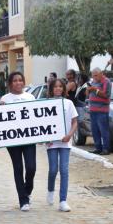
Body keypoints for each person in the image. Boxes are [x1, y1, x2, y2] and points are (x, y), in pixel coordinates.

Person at [0, 71, 36, 211]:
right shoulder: (4, 99)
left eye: (20, 80)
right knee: (18, 168)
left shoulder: (30, 97)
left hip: (29, 138)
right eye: (15, 80)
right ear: (10, 83)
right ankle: (23, 201)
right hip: (12, 140)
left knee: (31, 167)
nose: (18, 83)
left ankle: (27, 191)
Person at [46, 79, 78, 212]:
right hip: (52, 142)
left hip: (65, 142)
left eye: (60, 86)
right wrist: (46, 138)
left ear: (64, 89)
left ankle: (63, 200)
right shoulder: (46, 103)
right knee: (53, 169)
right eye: (55, 87)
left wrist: (69, 135)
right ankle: (50, 190)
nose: (58, 89)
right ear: (51, 89)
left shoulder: (69, 103)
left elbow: (75, 121)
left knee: (64, 171)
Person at [86, 68, 112, 155]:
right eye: (93, 75)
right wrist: (88, 89)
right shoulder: (93, 82)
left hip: (102, 110)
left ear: (101, 74)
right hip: (93, 110)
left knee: (103, 130)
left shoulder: (106, 81)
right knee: (95, 130)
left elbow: (106, 95)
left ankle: (106, 149)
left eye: (96, 75)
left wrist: (94, 89)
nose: (94, 77)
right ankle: (98, 148)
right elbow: (88, 95)